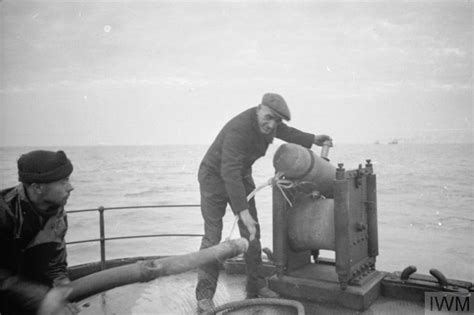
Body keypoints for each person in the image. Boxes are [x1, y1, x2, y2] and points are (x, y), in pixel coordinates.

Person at [195, 92, 332, 312]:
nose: (271, 125)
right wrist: (243, 212)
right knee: (213, 236)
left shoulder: (272, 124)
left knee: (252, 233)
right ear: (259, 108)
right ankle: (204, 296)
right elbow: (228, 171)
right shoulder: (239, 128)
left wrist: (313, 139)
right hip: (214, 177)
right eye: (268, 117)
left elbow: (286, 132)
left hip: (241, 176)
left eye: (276, 121)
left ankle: (256, 286)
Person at [0, 150, 79, 315]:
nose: (70, 187)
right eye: (62, 182)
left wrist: (61, 293)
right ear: (37, 188)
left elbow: (55, 264)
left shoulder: (57, 215)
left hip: (34, 296)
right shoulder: (4, 211)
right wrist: (42, 299)